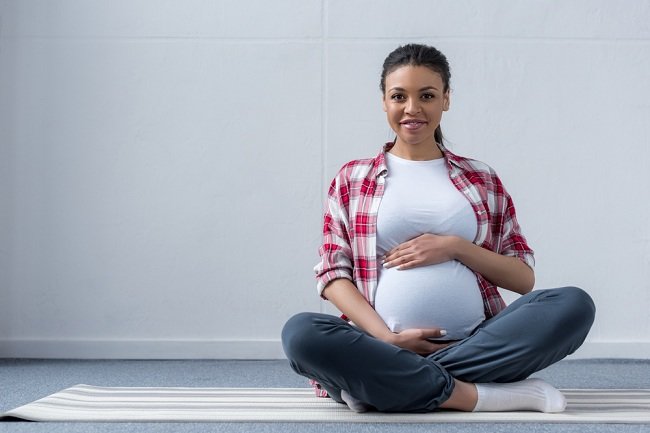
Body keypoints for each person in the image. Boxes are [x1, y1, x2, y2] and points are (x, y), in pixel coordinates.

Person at [281, 43, 595, 413]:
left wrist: (455, 247)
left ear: (445, 100)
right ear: (384, 101)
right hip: (378, 343)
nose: (412, 109)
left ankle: (381, 385)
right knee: (301, 334)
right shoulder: (353, 178)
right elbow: (333, 274)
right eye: (399, 96)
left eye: (426, 95)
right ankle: (475, 394)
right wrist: (388, 340)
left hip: (478, 342)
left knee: (573, 304)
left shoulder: (481, 179)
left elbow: (523, 280)